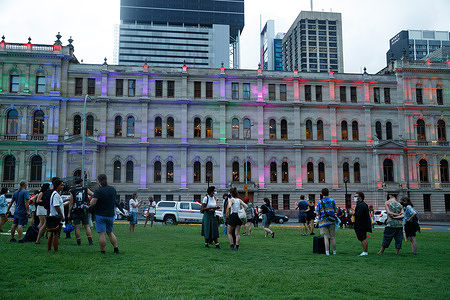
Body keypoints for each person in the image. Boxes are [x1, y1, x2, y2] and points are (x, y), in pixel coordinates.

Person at [90, 174, 120, 254]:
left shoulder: (98, 191)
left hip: (100, 215)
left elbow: (92, 203)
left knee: (102, 234)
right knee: (110, 232)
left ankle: (102, 251)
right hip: (110, 214)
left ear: (98, 181)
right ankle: (116, 249)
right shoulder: (113, 189)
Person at [68, 178, 94, 246]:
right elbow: (92, 194)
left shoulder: (72, 190)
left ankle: (78, 242)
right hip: (84, 209)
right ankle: (90, 241)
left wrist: (69, 212)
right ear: (81, 182)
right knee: (87, 226)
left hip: (75, 210)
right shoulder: (85, 189)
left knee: (77, 227)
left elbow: (71, 202)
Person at [46, 178, 65, 252]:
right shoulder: (56, 195)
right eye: (61, 185)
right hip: (56, 217)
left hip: (53, 216)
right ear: (57, 186)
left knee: (51, 234)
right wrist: (62, 216)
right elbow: (56, 206)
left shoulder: (55, 194)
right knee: (56, 234)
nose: (62, 186)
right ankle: (55, 249)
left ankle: (49, 249)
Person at [316, 188, 337, 255]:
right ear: (328, 193)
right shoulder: (332, 201)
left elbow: (317, 211)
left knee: (326, 237)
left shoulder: (320, 202)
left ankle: (327, 252)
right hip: (331, 220)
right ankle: (334, 251)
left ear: (322, 194)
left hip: (323, 221)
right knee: (333, 237)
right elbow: (335, 210)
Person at [353, 191, 372, 256]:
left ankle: (365, 251)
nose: (354, 197)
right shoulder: (361, 204)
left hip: (361, 224)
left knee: (363, 238)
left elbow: (360, 214)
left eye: (356, 196)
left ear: (360, 197)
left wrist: (353, 213)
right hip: (361, 224)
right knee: (362, 238)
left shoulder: (362, 205)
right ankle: (365, 251)